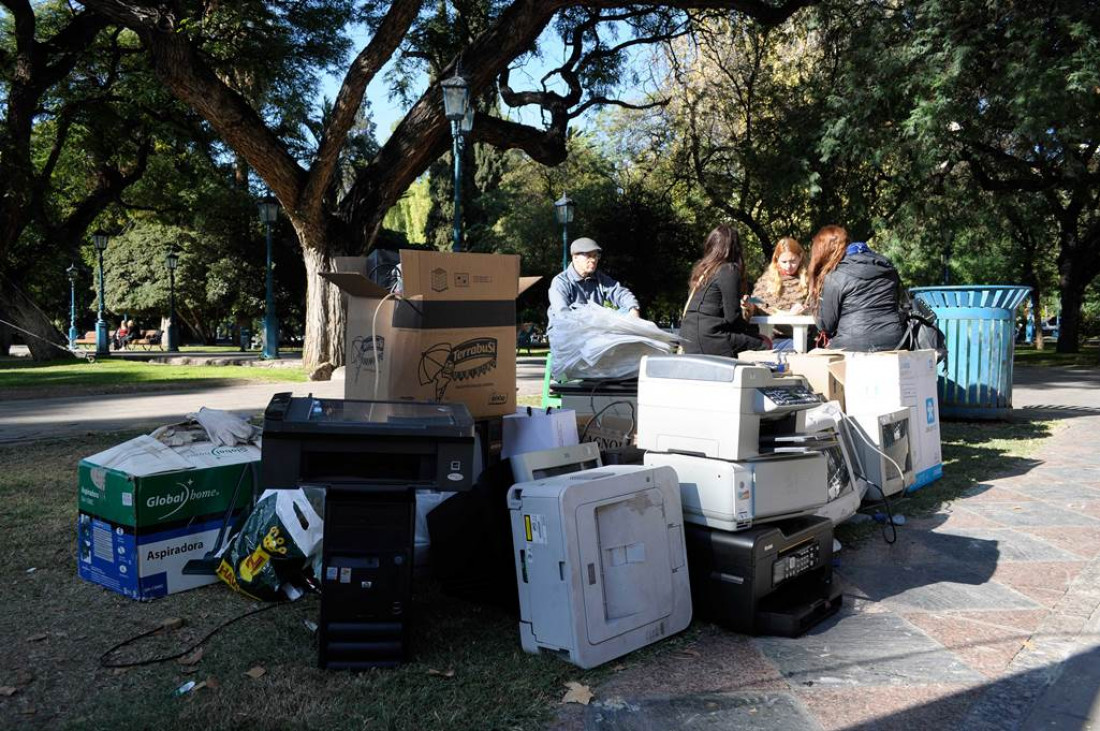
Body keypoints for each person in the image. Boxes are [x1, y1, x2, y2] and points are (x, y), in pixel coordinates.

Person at [807, 225, 905, 352]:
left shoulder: (835, 276)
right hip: (895, 341)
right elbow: (898, 304)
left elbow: (825, 325)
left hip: (852, 346)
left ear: (823, 252)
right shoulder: (887, 267)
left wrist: (813, 294)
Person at [680, 224, 770, 357]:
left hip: (688, 338)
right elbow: (732, 317)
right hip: (710, 337)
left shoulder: (702, 271)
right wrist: (751, 330)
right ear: (735, 248)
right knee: (765, 343)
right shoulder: (728, 269)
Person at [547, 238, 640, 318]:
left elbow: (619, 292)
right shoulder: (561, 282)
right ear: (575, 257)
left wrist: (633, 309)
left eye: (596, 256)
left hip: (595, 329)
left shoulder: (600, 278)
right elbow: (562, 314)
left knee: (626, 311)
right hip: (568, 331)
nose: (593, 260)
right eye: (588, 256)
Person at [751, 237, 809, 315]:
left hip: (803, 326)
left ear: (800, 257)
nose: (788, 266)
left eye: (792, 261)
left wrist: (804, 310)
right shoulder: (767, 279)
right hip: (770, 326)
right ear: (777, 258)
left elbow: (817, 306)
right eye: (784, 262)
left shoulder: (809, 279)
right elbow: (755, 302)